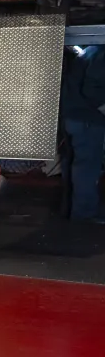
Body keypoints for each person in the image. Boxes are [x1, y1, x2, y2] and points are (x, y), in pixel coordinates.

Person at [63, 35, 105, 225]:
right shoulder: (101, 53)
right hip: (87, 119)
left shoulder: (91, 49)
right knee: (87, 167)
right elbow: (92, 90)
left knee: (75, 164)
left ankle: (72, 210)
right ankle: (84, 215)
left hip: (74, 117)